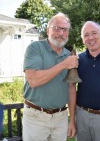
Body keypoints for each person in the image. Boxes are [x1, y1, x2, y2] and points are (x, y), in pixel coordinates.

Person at [22, 12, 78, 141]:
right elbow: (33, 80)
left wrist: (72, 120)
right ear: (48, 30)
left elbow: (71, 89)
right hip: (36, 117)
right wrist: (64, 64)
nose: (61, 33)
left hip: (61, 117)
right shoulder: (35, 48)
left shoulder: (69, 55)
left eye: (65, 29)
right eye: (56, 28)